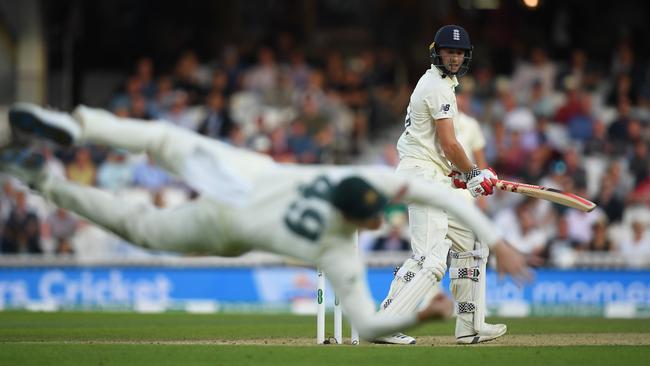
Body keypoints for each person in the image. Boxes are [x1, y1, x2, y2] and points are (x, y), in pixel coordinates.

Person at [2, 102, 530, 341]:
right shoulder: (335, 250)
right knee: (140, 227)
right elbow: (368, 327)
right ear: (361, 218)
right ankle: (46, 182)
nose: (378, 220)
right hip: (225, 228)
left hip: (243, 175)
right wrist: (423, 316)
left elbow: (446, 194)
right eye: (374, 218)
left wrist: (493, 236)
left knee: (160, 138)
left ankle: (75, 125)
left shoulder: (343, 177)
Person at [376, 25, 505, 345]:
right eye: (449, 51)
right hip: (420, 177)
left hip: (433, 176)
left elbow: (439, 150)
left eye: (459, 52)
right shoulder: (435, 85)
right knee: (431, 259)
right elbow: (449, 144)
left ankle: (470, 325)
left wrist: (462, 175)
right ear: (437, 52)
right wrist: (474, 173)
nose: (454, 56)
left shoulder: (445, 84)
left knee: (472, 242)